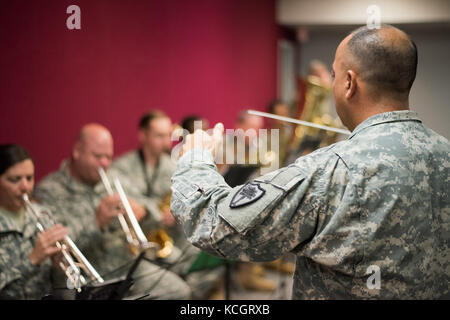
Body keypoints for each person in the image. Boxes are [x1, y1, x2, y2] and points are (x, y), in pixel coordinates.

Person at [170, 25, 450, 299]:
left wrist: (195, 157)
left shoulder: (330, 169)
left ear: (349, 83)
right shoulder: (445, 153)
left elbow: (213, 224)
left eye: (334, 75)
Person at [34, 124, 191, 300]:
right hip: (84, 277)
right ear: (77, 151)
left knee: (178, 292)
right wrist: (96, 221)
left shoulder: (114, 177)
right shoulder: (49, 190)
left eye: (108, 157)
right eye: (97, 156)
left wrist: (144, 211)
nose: (104, 163)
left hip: (125, 265)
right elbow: (54, 245)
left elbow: (154, 208)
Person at [111, 112, 224, 299]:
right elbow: (129, 203)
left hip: (165, 238)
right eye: (159, 136)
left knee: (207, 252)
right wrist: (156, 210)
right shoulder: (121, 167)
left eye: (167, 135)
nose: (166, 142)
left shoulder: (171, 165)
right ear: (143, 136)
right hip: (132, 242)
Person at [0, 144, 68, 299]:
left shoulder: (41, 213)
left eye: (29, 178)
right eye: (15, 179)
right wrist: (32, 260)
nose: (25, 187)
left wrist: (59, 268)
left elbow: (58, 288)